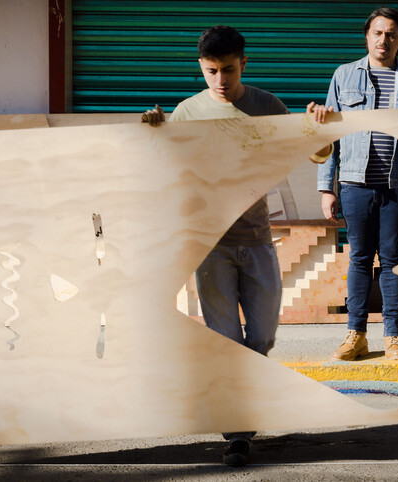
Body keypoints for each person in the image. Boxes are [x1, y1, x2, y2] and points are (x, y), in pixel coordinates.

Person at [142, 25, 288, 467]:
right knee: (225, 341)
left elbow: (313, 153)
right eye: (211, 71)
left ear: (244, 63)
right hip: (210, 245)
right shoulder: (187, 112)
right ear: (201, 68)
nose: (220, 80)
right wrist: (155, 134)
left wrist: (319, 126)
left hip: (257, 238)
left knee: (261, 337)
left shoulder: (267, 106)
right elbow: (164, 168)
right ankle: (238, 431)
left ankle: (242, 412)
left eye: (228, 70)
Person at [308, 7, 398, 362]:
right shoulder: (344, 75)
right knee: (360, 259)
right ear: (367, 36)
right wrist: (326, 187)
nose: (384, 40)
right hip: (355, 183)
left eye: (392, 34)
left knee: (394, 260)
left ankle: (393, 335)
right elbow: (328, 133)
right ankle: (356, 335)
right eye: (378, 33)